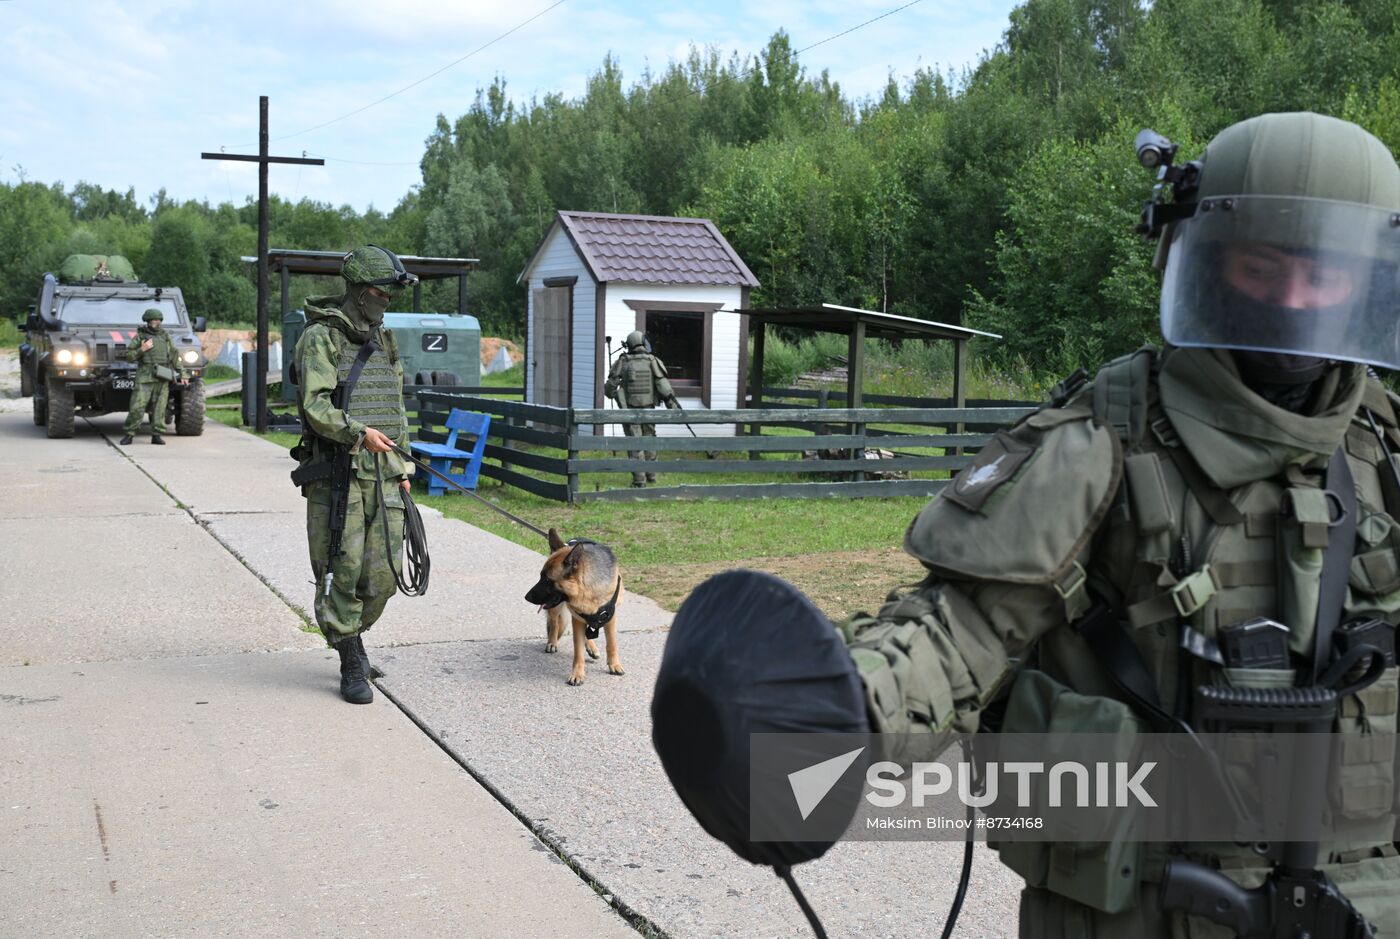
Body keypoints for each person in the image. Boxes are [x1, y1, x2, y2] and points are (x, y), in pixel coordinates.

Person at [660, 112, 1400, 935]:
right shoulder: (1104, 442)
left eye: (1324, 275)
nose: (1294, 302)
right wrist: (837, 711)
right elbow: (958, 633)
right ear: (1210, 264)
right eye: (1265, 268)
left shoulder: (1385, 446)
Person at [292, 244, 417, 705]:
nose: (388, 302)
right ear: (361, 292)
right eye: (383, 294)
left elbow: (397, 407)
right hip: (339, 475)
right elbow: (315, 406)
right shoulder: (320, 337)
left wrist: (403, 465)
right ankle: (349, 657)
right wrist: (358, 433)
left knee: (383, 576)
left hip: (384, 473)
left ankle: (354, 638)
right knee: (340, 571)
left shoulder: (384, 338)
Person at [604, 330, 679, 487]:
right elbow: (663, 385)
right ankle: (651, 475)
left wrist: (611, 391)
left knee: (635, 443)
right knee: (650, 440)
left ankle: (639, 480)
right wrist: (672, 405)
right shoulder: (652, 360)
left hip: (630, 411)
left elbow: (610, 389)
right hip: (649, 410)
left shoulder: (623, 361)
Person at [119, 308, 185, 445]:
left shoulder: (165, 337)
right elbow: (129, 356)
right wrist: (142, 349)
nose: (156, 322)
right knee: (137, 407)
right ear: (148, 321)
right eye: (153, 320)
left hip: (162, 376)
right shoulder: (140, 337)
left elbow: (174, 356)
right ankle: (129, 434)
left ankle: (157, 435)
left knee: (160, 408)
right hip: (144, 377)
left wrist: (183, 373)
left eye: (158, 320)